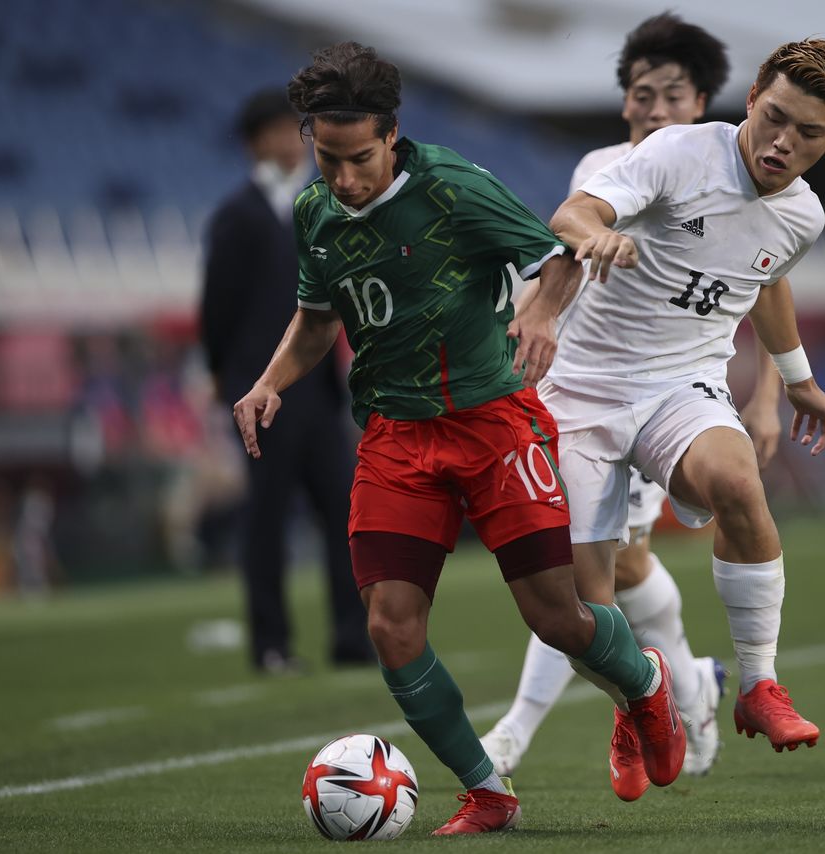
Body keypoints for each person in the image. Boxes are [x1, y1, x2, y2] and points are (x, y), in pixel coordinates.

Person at [232, 42, 686, 836]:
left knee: (557, 618)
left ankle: (644, 682)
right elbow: (318, 317)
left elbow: (559, 259)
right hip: (395, 439)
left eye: (360, 159)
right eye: (329, 159)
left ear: (392, 134)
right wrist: (271, 381)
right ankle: (487, 790)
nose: (345, 178)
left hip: (492, 424)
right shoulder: (314, 213)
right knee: (389, 624)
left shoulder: (451, 187)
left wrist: (541, 317)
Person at [518, 39, 825, 801]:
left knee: (738, 483)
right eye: (774, 118)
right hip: (582, 391)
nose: (782, 142)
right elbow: (573, 212)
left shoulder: (803, 215)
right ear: (751, 99)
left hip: (681, 384)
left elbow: (765, 281)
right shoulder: (679, 153)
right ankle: (639, 692)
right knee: (579, 615)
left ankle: (759, 685)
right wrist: (596, 234)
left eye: (807, 133)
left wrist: (796, 382)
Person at [480, 12, 783, 788]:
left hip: (667, 397)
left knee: (600, 571)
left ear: (704, 104)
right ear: (624, 102)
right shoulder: (604, 167)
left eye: (672, 95)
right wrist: (537, 319)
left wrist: (772, 395)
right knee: (603, 572)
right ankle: (684, 688)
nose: (654, 109)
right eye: (642, 95)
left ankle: (523, 731)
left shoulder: (732, 181)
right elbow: (567, 251)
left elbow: (771, 283)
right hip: (582, 393)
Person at [201, 88, 374, 674]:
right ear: (254, 143)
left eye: (293, 132)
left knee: (345, 512)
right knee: (267, 519)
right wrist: (224, 376)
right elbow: (217, 308)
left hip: (318, 392)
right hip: (262, 391)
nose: (288, 143)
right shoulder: (237, 215)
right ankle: (271, 644)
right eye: (275, 132)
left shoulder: (321, 203)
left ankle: (352, 637)